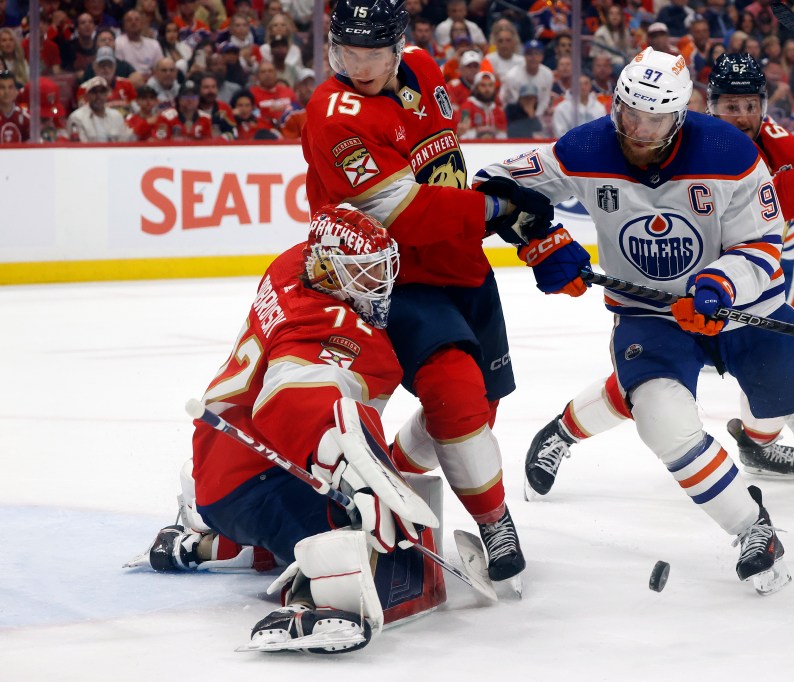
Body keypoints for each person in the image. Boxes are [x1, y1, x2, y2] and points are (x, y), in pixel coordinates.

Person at [479, 48, 794, 592]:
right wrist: (538, 236)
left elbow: (763, 242)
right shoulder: (584, 148)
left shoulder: (730, 153)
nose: (637, 129)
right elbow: (497, 184)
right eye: (629, 113)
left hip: (746, 308)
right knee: (659, 416)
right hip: (651, 315)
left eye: (653, 118)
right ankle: (753, 530)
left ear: (679, 115)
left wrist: (721, 284)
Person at [523, 52, 794, 484]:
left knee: (775, 367)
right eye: (730, 107)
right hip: (666, 288)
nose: (741, 117)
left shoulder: (774, 141)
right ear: (706, 105)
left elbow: (778, 208)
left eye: (750, 105)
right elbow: (783, 193)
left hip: (733, 286)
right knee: (642, 386)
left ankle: (757, 446)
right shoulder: (681, 140)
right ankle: (563, 432)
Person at [299, 0, 554, 585]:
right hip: (394, 276)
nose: (358, 66)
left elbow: (442, 166)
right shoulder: (334, 113)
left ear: (399, 47)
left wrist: (491, 206)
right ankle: (496, 523)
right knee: (455, 391)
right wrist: (493, 207)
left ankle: (392, 481)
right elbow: (400, 210)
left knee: (473, 413)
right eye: (346, 52)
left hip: (462, 266)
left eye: (372, 54)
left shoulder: (424, 67)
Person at [139, 204, 446, 654]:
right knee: (344, 528)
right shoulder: (331, 325)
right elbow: (290, 397)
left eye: (381, 269)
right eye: (363, 272)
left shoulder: (292, 263)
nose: (379, 284)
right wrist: (350, 471)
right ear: (327, 268)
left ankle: (202, 547)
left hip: (223, 461)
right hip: (255, 477)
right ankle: (308, 606)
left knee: (315, 510)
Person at [68, 75, 131, 141]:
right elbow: (80, 147)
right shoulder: (77, 117)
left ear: (107, 95)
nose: (98, 95)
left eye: (102, 92)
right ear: (87, 96)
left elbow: (123, 143)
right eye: (94, 92)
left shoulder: (117, 116)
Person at [0, 69, 30, 143]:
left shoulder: (26, 116)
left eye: (10, 87)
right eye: (2, 87)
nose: (6, 92)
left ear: (16, 91)